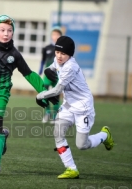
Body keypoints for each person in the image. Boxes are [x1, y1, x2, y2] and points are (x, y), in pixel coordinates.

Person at [0, 14, 58, 175]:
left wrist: (45, 92)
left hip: (1, 94)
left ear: (13, 33)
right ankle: (2, 137)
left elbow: (29, 74)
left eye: (9, 30)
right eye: (2, 30)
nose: (6, 33)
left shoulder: (14, 54)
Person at [36, 36, 114, 179]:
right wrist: (49, 70)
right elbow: (52, 67)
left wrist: (41, 95)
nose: (59, 56)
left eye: (63, 54)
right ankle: (71, 169)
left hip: (83, 106)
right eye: (57, 52)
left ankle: (104, 135)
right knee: (58, 132)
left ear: (70, 55)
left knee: (82, 145)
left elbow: (57, 90)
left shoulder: (70, 67)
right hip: (68, 104)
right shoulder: (58, 59)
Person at [38, 27, 62, 123]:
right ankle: (48, 112)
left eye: (57, 34)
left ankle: (55, 116)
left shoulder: (62, 49)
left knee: (56, 95)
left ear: (60, 36)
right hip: (47, 75)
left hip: (58, 76)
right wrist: (40, 70)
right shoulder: (46, 48)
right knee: (44, 93)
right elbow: (43, 60)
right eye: (53, 34)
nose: (55, 36)